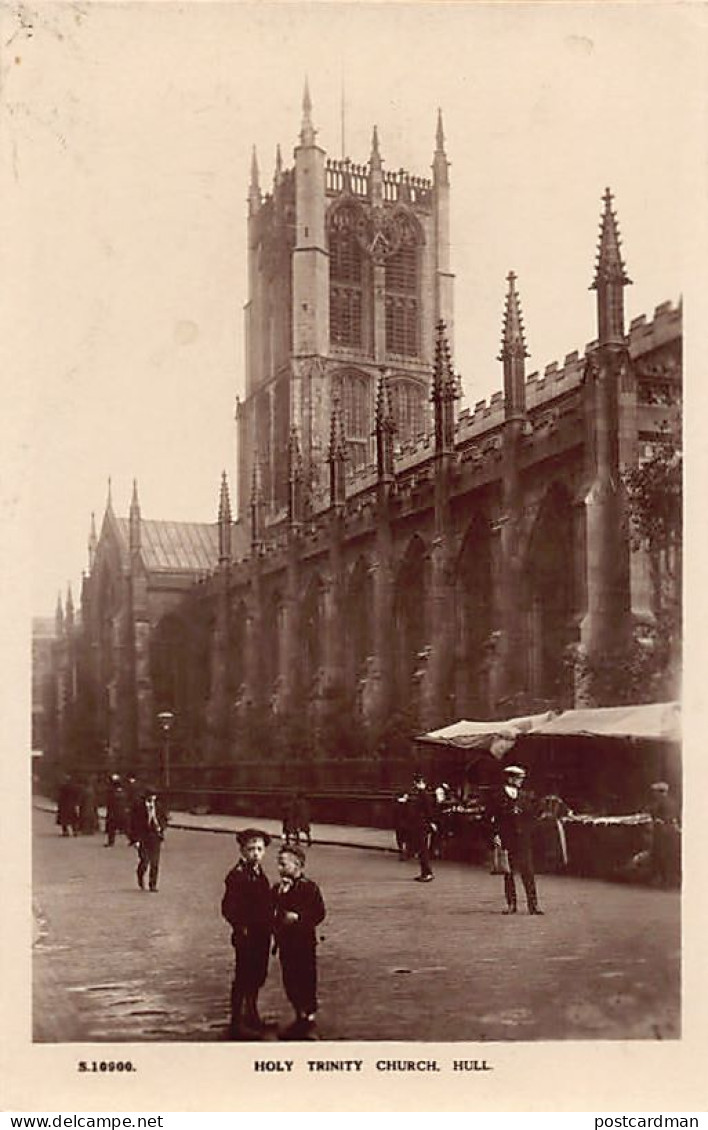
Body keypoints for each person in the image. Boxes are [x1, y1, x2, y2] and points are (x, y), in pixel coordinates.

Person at [221, 828, 274, 1040]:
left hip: (262, 933)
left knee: (258, 974)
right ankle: (236, 1021)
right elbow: (228, 907)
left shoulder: (260, 874)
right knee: (243, 976)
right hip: (246, 934)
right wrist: (239, 925)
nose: (255, 853)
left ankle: (252, 1014)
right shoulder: (236, 876)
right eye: (251, 849)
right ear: (242, 851)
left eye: (259, 849)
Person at [272, 843, 326, 1040]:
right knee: (290, 979)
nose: (280, 869)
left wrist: (299, 917)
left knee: (306, 979)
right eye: (278, 864)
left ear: (298, 865)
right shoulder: (278, 888)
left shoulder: (309, 888)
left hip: (303, 943)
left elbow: (319, 913)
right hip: (286, 943)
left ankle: (309, 1019)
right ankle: (299, 1015)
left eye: (284, 864)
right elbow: (272, 911)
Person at [488, 765, 543, 915]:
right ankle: (511, 904)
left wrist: (528, 826)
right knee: (508, 871)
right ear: (510, 778)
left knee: (528, 870)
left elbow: (533, 815)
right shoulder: (497, 796)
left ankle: (533, 905)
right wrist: (495, 835)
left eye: (522, 779)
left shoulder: (526, 796)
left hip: (523, 838)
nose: (521, 781)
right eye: (519, 778)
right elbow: (490, 818)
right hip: (507, 836)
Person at [130, 786, 167, 892]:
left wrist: (161, 828)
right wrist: (135, 840)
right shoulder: (138, 808)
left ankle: (153, 884)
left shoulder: (159, 807)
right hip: (143, 837)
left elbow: (164, 819)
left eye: (154, 798)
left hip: (155, 836)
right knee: (145, 860)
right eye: (150, 799)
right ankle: (140, 875)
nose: (152, 801)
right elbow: (133, 824)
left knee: (155, 862)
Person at [645, 781, 680, 888]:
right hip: (670, 831)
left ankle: (662, 880)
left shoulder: (661, 802)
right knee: (667, 855)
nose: (654, 794)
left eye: (655, 792)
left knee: (660, 855)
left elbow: (656, 815)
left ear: (660, 792)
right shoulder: (672, 802)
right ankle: (667, 880)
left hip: (662, 832)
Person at [407, 774, 436, 882]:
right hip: (420, 824)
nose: (416, 785)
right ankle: (425, 872)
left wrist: (431, 822)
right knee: (421, 849)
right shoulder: (421, 795)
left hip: (422, 825)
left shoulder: (424, 795)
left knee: (423, 849)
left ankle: (427, 873)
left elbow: (428, 811)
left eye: (417, 783)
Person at [104, 775, 127, 847]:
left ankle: (111, 842)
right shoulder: (123, 792)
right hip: (122, 812)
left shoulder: (111, 793)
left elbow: (110, 803)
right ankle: (133, 840)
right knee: (126, 827)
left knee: (112, 828)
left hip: (114, 812)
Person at [393, 792, 412, 860]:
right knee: (407, 839)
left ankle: (401, 852)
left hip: (398, 825)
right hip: (406, 824)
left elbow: (394, 816)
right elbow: (409, 815)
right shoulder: (407, 805)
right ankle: (406, 853)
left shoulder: (396, 805)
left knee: (400, 839)